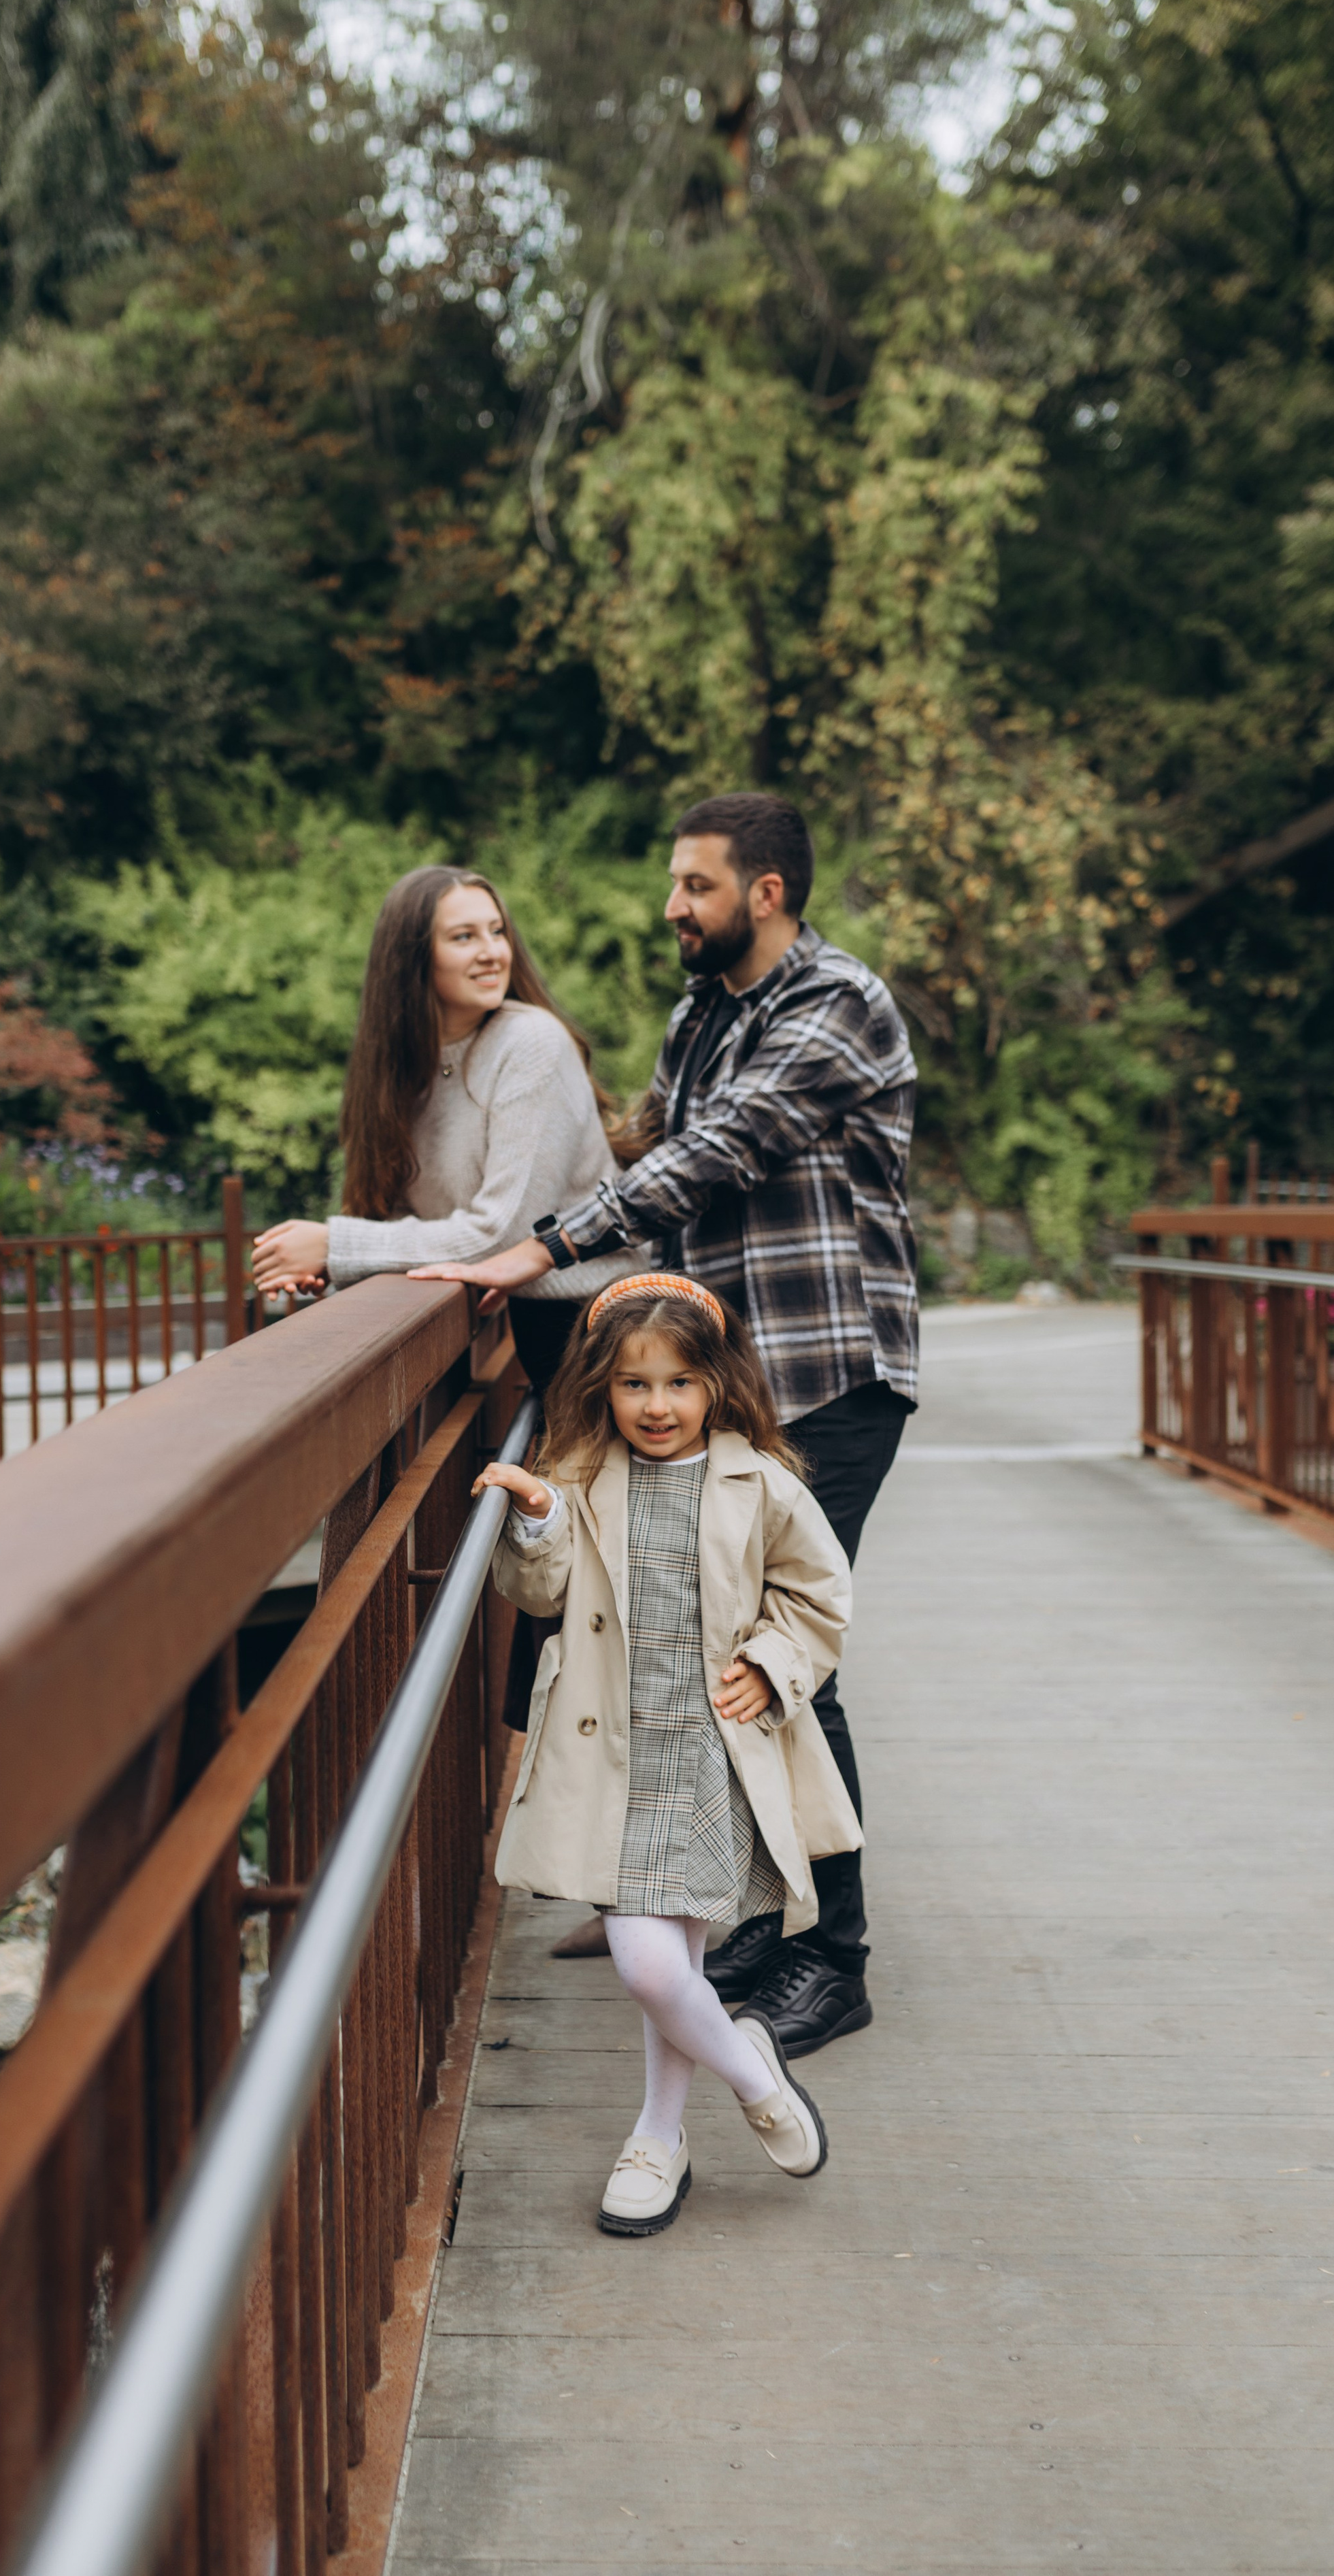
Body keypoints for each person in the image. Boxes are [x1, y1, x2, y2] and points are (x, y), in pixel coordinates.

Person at [414, 792, 918, 2058]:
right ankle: (752, 1916)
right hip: (720, 1382)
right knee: (701, 1630)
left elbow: (720, 1153)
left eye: (693, 886)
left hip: (828, 1373)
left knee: (784, 1651)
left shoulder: (836, 1003)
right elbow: (642, 1146)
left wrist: (543, 1244)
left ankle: (830, 1955)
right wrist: (456, 1231)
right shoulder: (703, 1014)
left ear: (765, 893)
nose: (670, 908)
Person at [479, 1272, 856, 2236]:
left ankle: (664, 2132)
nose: (658, 1405)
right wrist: (534, 1517)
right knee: (659, 1965)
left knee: (660, 1967)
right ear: (603, 1387)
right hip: (617, 1750)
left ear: (717, 1385)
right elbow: (539, 1590)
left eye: (680, 1383)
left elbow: (818, 1597)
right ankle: (739, 2082)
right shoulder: (578, 1476)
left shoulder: (759, 1480)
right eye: (636, 1385)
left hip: (711, 1752)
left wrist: (773, 1665)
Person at [250, 863, 646, 1391]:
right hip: (543, 1332)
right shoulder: (404, 1073)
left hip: (613, 1336)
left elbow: (507, 1233)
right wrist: (339, 1264)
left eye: (497, 931)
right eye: (464, 937)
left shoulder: (530, 1042)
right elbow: (406, 1217)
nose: (492, 951)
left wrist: (336, 1245)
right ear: (414, 960)